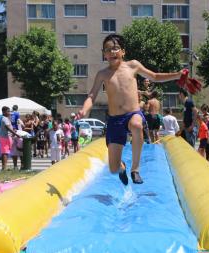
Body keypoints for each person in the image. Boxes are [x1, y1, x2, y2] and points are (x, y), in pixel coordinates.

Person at [77, 34, 185, 185]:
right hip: (115, 120)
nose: (112, 52)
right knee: (113, 168)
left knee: (136, 125)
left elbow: (154, 76)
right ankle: (122, 167)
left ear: (123, 51)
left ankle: (135, 169)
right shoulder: (103, 74)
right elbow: (92, 95)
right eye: (108, 49)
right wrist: (84, 110)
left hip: (133, 113)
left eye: (115, 48)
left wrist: (177, 75)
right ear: (104, 54)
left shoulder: (133, 66)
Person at [0, 106, 20, 170]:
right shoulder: (4, 118)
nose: (9, 113)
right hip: (5, 137)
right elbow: (7, 127)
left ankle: (4, 167)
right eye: (8, 111)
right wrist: (15, 134)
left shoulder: (5, 118)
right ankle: (4, 167)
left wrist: (13, 130)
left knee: (5, 152)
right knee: (5, 153)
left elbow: (9, 127)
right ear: (4, 112)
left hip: (5, 137)